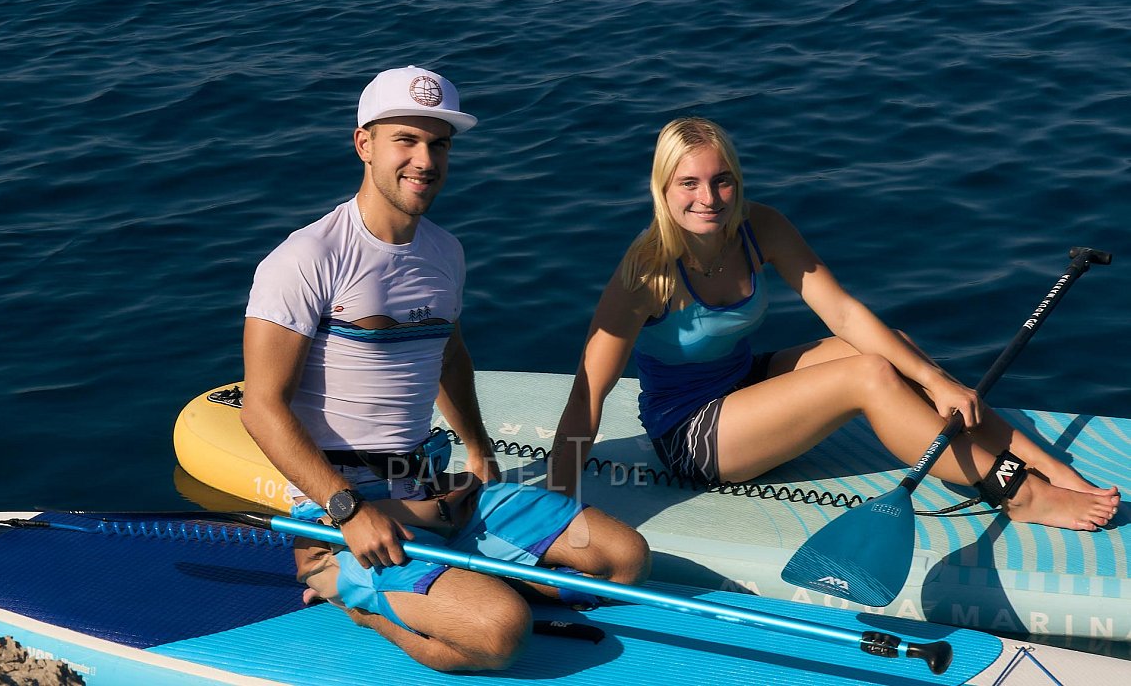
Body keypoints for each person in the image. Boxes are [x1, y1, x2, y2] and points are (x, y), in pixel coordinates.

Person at [240, 66, 649, 672]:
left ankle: (441, 580)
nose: (425, 159)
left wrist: (479, 452)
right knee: (501, 632)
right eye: (406, 139)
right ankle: (346, 593)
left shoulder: (444, 251)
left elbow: (449, 355)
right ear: (364, 144)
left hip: (430, 487)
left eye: (439, 143)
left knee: (623, 560)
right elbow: (261, 407)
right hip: (342, 513)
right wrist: (348, 511)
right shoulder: (306, 259)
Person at [548, 115, 1120, 533]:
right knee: (867, 374)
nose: (709, 198)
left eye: (721, 180)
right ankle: (1018, 494)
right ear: (663, 188)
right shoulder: (645, 275)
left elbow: (842, 312)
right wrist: (553, 510)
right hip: (691, 434)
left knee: (897, 348)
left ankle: (1043, 463)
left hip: (744, 382)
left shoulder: (759, 227)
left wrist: (940, 382)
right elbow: (588, 395)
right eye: (689, 184)